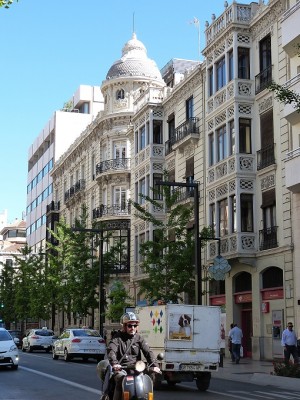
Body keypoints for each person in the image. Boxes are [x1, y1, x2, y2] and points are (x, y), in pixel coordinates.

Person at [107, 312, 161, 400]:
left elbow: (148, 351)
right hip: (122, 368)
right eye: (130, 326)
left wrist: (155, 365)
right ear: (124, 326)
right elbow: (111, 350)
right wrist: (115, 363)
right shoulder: (117, 338)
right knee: (120, 379)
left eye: (135, 326)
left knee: (149, 377)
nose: (133, 328)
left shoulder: (139, 338)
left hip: (136, 369)